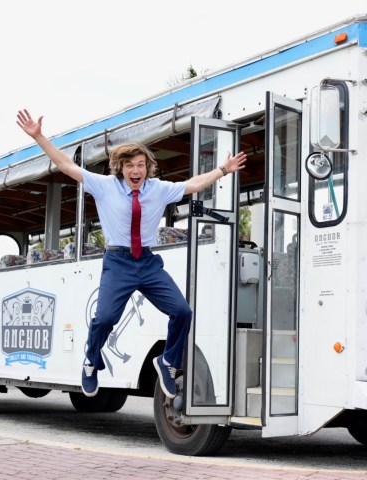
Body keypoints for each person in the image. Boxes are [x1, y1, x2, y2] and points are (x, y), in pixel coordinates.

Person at [16, 109, 247, 399]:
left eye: (141, 165)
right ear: (120, 169)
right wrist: (39, 137)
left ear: (148, 167)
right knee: (104, 319)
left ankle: (168, 362)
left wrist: (222, 170)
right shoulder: (104, 187)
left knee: (182, 311)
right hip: (119, 262)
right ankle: (91, 361)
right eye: (129, 166)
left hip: (148, 262)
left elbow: (193, 184)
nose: (136, 170)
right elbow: (65, 165)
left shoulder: (158, 189)